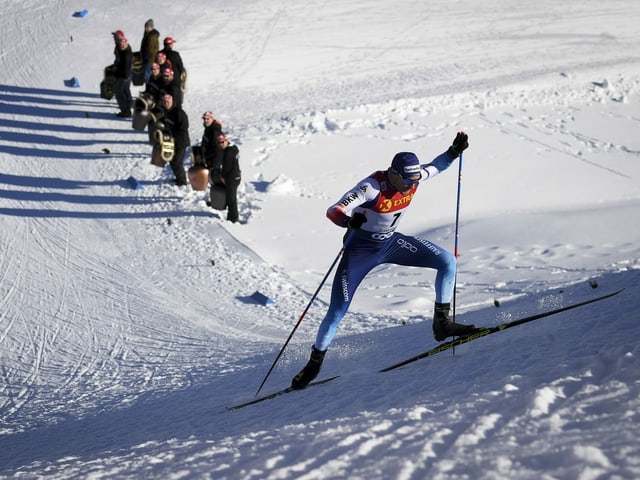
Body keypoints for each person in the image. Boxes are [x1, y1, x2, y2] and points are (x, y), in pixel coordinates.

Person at [290, 132, 479, 389]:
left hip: (390, 243)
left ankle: (442, 325)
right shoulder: (371, 187)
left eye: (415, 180)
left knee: (447, 262)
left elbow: (437, 166)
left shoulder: (412, 178)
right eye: (407, 181)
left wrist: (454, 152)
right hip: (360, 251)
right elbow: (333, 211)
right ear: (394, 174)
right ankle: (313, 364)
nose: (411, 186)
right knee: (337, 310)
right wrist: (348, 221)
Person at [160, 93, 190, 186]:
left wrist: (173, 136)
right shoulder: (165, 111)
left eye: (168, 102)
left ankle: (182, 181)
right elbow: (164, 122)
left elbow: (184, 127)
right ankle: (178, 178)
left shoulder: (179, 113)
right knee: (171, 160)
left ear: (172, 102)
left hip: (181, 142)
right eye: (164, 102)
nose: (166, 103)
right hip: (170, 141)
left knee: (177, 161)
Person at [211, 133, 241, 223]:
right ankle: (231, 215)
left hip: (232, 178)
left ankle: (233, 218)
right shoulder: (233, 148)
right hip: (235, 176)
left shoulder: (229, 152)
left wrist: (222, 176)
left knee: (231, 199)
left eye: (222, 142)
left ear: (226, 141)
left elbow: (226, 168)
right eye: (219, 142)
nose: (221, 144)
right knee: (230, 197)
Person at [113, 36, 133, 117]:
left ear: (126, 44)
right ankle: (128, 107)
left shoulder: (127, 55)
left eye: (123, 45)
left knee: (119, 93)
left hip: (124, 77)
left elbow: (126, 70)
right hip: (124, 76)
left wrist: (118, 74)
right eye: (120, 45)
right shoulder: (122, 50)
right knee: (124, 92)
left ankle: (125, 111)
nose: (121, 46)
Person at [140, 19, 160, 83]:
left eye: (147, 27)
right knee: (147, 73)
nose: (146, 28)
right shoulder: (147, 34)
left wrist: (146, 55)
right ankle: (149, 88)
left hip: (149, 59)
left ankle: (149, 88)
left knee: (147, 74)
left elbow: (151, 49)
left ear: (151, 27)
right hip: (147, 58)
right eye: (145, 27)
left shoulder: (152, 36)